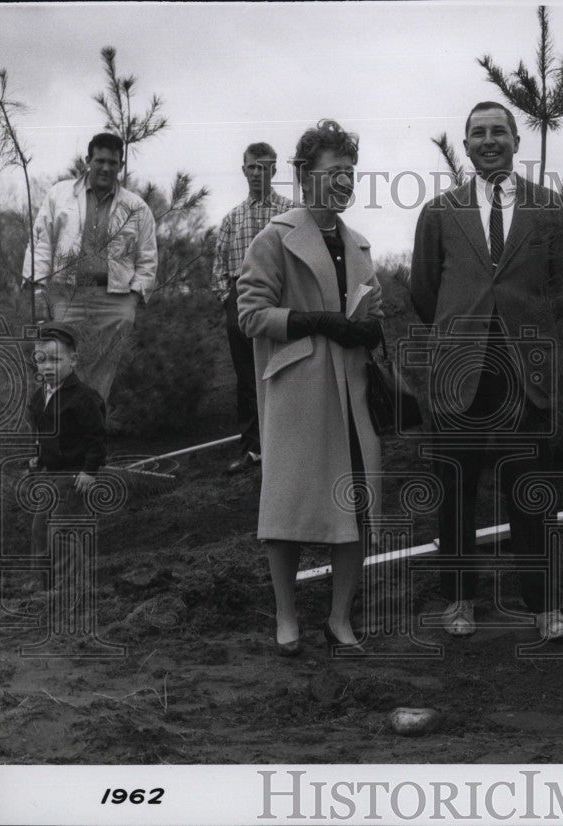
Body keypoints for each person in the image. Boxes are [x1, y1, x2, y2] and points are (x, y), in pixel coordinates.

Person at [410, 101, 563, 641]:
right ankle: (459, 599)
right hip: (460, 371)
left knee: (530, 488)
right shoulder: (439, 213)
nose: (489, 140)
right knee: (456, 488)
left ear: (515, 140)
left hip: (525, 370)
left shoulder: (550, 209)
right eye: (478, 133)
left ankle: (542, 604)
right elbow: (424, 293)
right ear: (465, 147)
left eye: (499, 132)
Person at [237, 120, 382, 656]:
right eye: (335, 172)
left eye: (351, 172)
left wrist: (371, 325)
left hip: (352, 389)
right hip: (299, 387)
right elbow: (251, 315)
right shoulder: (273, 237)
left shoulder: (358, 242)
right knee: (289, 505)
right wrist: (316, 322)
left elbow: (373, 307)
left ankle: (340, 620)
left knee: (355, 504)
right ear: (304, 175)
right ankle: (286, 618)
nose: (345, 182)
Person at [22, 133, 157, 403]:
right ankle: (54, 429)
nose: (106, 168)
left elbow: (147, 257)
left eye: (113, 162)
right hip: (67, 295)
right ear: (88, 161)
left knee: (101, 373)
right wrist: (38, 287)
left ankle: (90, 430)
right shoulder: (59, 194)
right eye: (100, 161)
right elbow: (41, 242)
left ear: (121, 165)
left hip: (114, 301)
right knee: (56, 362)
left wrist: (133, 298)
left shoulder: (136, 207)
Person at [212, 142, 295, 475]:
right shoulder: (232, 219)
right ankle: (252, 450)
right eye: (251, 167)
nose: (257, 173)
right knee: (247, 378)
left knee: (284, 369)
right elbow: (218, 266)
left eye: (264, 167)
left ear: (274, 170)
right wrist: (228, 301)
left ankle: (288, 446)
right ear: (243, 169)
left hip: (280, 298)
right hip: (240, 299)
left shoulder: (291, 212)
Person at [27, 323, 107, 579]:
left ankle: (71, 585)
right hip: (50, 476)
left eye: (56, 360)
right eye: (42, 360)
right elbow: (42, 434)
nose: (48, 366)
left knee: (63, 532)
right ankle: (42, 585)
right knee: (40, 530)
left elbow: (97, 438)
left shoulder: (84, 398)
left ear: (73, 361)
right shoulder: (39, 398)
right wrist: (37, 457)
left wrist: (90, 470)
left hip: (75, 478)